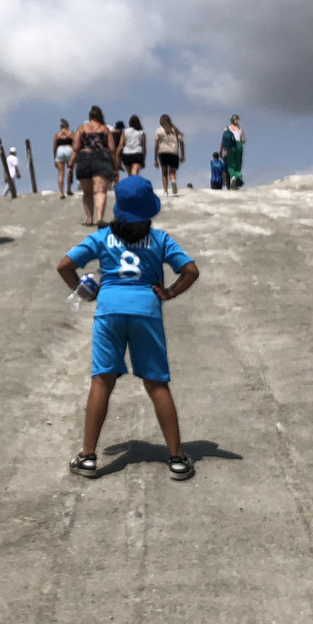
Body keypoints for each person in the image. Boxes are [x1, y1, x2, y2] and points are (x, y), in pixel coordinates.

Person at [56, 174, 200, 482]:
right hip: (146, 310)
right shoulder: (161, 240)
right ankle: (176, 458)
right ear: (149, 210)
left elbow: (64, 265)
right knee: (156, 383)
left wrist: (86, 291)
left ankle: (88, 457)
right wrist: (170, 292)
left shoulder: (101, 237)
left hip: (109, 309)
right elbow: (190, 271)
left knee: (102, 380)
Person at [69, 107, 116, 227]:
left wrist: (71, 164)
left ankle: (89, 219)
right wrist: (115, 166)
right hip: (101, 158)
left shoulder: (82, 128)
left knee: (87, 192)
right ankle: (100, 219)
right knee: (100, 191)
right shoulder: (104, 130)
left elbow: (75, 148)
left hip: (84, 158)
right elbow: (111, 150)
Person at [154, 115, 185, 195]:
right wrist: (182, 154)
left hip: (163, 152)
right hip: (174, 152)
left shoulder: (158, 131)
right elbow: (181, 142)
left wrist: (155, 159)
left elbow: (156, 145)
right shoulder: (175, 130)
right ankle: (173, 180)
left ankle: (165, 191)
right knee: (172, 172)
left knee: (164, 173)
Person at [220, 114, 245, 189]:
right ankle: (237, 179)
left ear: (231, 120)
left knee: (231, 164)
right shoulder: (240, 129)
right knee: (238, 164)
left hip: (230, 146)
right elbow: (243, 140)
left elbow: (223, 140)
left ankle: (233, 176)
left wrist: (221, 150)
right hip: (239, 145)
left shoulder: (227, 128)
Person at [53, 119, 75, 196]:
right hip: (69, 150)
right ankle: (69, 189)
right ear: (67, 126)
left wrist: (55, 158)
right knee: (70, 170)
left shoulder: (57, 135)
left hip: (60, 150)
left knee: (61, 173)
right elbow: (76, 142)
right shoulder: (70, 133)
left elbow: (55, 147)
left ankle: (61, 192)